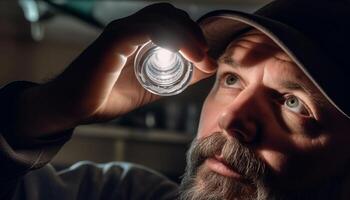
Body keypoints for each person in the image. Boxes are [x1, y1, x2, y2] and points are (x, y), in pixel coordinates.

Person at [1, 0, 349, 199]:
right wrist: (51, 108)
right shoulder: (119, 192)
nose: (230, 121)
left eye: (293, 103)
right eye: (231, 79)